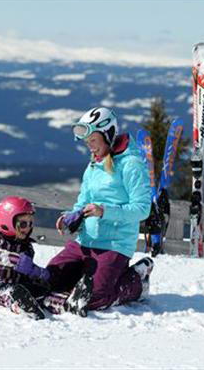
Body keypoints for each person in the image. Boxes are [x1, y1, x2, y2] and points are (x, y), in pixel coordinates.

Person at [50, 106, 154, 317]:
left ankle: (135, 282)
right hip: (85, 242)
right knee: (50, 278)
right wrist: (69, 217)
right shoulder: (94, 165)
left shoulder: (131, 165)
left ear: (108, 135)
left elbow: (142, 209)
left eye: (93, 141)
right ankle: (90, 276)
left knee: (94, 299)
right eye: (87, 143)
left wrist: (105, 211)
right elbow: (83, 201)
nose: (90, 147)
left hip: (114, 245)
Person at [0, 196, 72, 320]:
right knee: (8, 293)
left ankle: (67, 303)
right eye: (22, 224)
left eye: (30, 223)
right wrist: (18, 261)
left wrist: (39, 275)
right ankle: (21, 305)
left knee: (41, 292)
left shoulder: (26, 246)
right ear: (6, 223)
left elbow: (27, 271)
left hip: (20, 284)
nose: (27, 228)